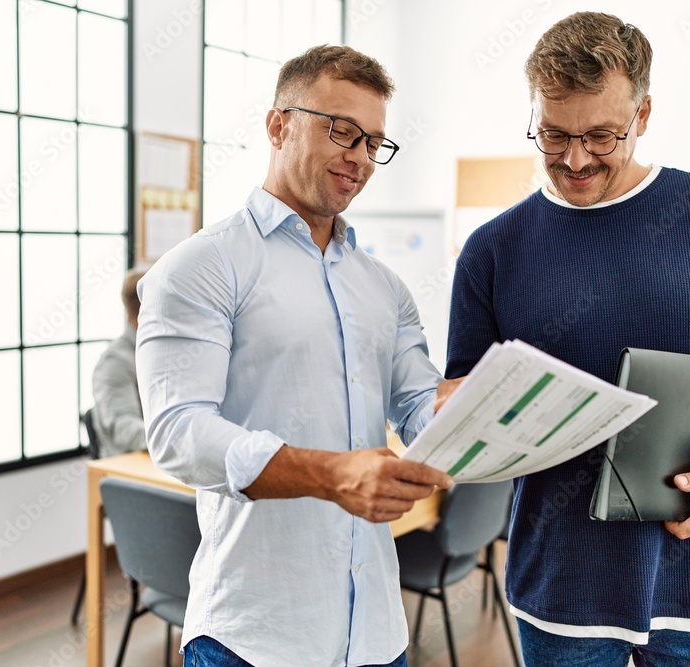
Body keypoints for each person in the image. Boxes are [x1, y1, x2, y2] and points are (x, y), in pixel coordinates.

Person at [446, 12, 690, 666]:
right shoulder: (490, 252)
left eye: (600, 135)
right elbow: (463, 395)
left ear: (643, 115)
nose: (574, 158)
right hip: (561, 595)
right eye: (552, 133)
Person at [136, 45, 456, 667]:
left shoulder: (384, 286)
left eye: (375, 143)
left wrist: (471, 408)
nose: (360, 157)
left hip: (378, 632)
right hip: (256, 633)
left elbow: (419, 406)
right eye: (343, 130)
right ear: (278, 124)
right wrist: (332, 475)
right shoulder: (202, 267)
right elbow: (178, 433)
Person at [91, 268, 147, 458]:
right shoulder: (115, 362)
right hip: (128, 468)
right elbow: (123, 429)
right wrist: (177, 440)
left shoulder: (163, 353)